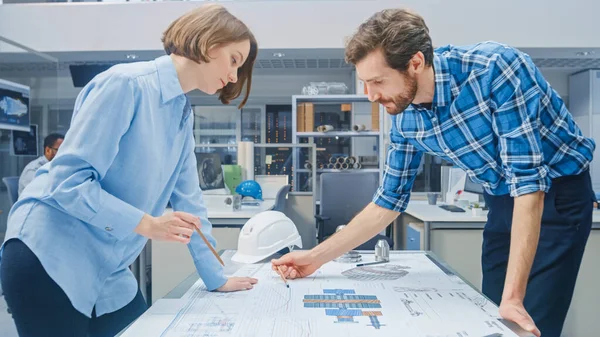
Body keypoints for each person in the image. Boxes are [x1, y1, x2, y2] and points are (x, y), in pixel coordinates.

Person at [272, 8, 596, 337]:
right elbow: (388, 202)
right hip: (501, 197)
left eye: (378, 82)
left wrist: (514, 298)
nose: (371, 96)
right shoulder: (404, 116)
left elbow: (528, 183)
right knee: (491, 311)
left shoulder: (495, 69)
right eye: (365, 83)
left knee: (526, 318)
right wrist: (315, 258)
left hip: (559, 192)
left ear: (415, 62)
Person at [0, 4, 259, 336]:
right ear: (210, 43)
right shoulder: (126, 85)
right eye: (234, 60)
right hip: (50, 255)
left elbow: (190, 202)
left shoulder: (181, 112)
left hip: (108, 268)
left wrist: (216, 277)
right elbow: (66, 182)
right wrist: (147, 224)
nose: (235, 77)